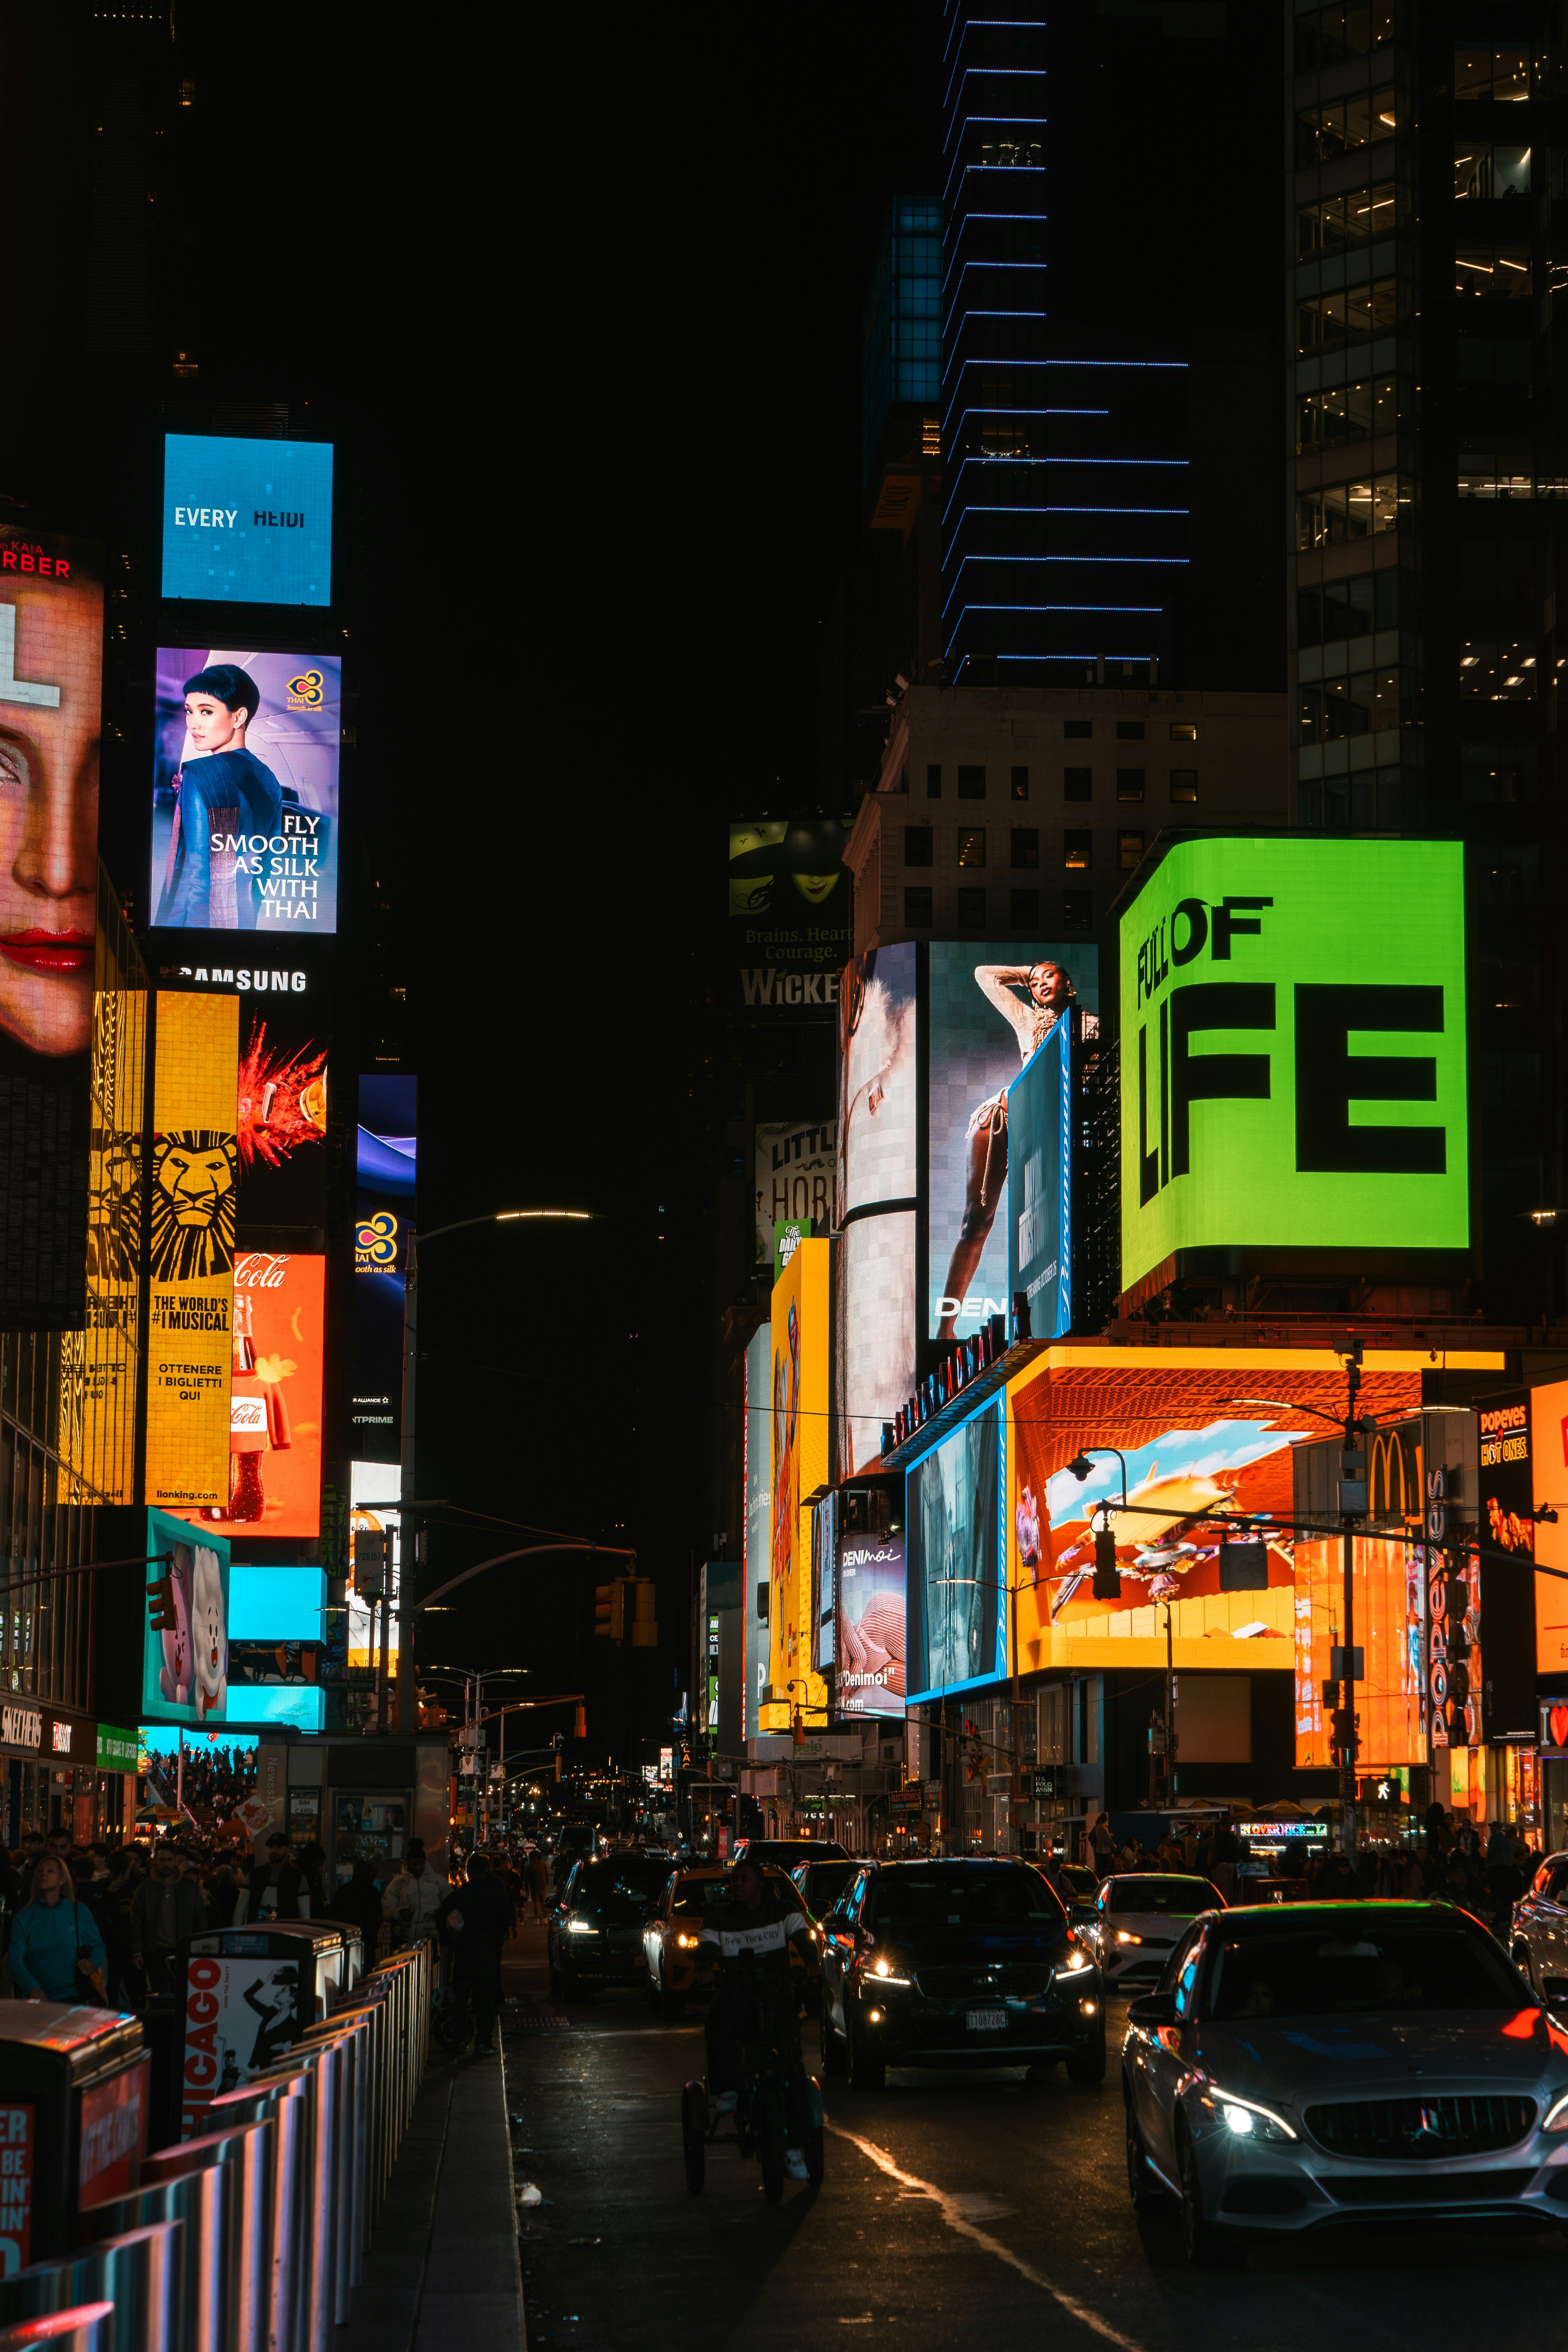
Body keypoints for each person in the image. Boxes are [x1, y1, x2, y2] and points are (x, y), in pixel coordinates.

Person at [934, 961, 1074, 1345]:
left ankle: (1047, 1321)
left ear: (1069, 985)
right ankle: (945, 1328)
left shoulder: (1088, 1026)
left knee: (1052, 1224)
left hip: (1050, 1129)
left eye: (1049, 975)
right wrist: (1025, 971)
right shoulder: (1029, 1019)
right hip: (1002, 1124)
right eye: (1035, 980)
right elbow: (983, 975)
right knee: (976, 1222)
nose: (1041, 983)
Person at [696, 1857, 816, 2182]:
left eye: (743, 1880)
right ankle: (727, 2092)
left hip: (775, 1994)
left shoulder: (783, 1912)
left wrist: (810, 1962)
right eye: (733, 1881)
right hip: (736, 1995)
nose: (736, 1886)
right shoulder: (717, 1918)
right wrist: (705, 1967)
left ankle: (793, 2150)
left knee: (791, 2066)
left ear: (759, 1885)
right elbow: (706, 1947)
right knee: (717, 2022)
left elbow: (805, 1940)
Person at [154, 663, 285, 930]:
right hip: (246, 920)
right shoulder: (270, 778)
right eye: (190, 711)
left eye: (206, 712)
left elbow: (201, 880)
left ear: (238, 718)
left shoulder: (202, 775)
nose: (194, 723)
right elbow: (268, 868)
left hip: (202, 925)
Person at [435, 1853, 512, 2056]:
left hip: (464, 1953)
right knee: (485, 1998)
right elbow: (506, 1917)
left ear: (468, 1872)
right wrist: (497, 1937)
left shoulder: (461, 1894)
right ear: (486, 1871)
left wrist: (450, 1941)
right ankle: (484, 2042)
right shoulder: (496, 1894)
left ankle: (460, 2039)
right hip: (487, 1953)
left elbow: (441, 1915)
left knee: (461, 1998)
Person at [9, 1858, 108, 2002]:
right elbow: (15, 1960)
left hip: (73, 1995)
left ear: (62, 1879)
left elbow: (98, 1947)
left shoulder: (79, 1911)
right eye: (40, 1872)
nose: (44, 1874)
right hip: (37, 1997)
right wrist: (33, 1987)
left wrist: (92, 1963)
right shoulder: (24, 1917)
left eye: (50, 1871)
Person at [131, 1842, 208, 1996]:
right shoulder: (146, 1888)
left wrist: (199, 1947)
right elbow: (136, 1921)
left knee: (182, 1994)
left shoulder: (188, 1888)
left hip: (183, 1950)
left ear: (175, 1861)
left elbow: (200, 1919)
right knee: (162, 1994)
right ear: (156, 1861)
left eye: (169, 1860)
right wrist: (137, 1951)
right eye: (162, 1860)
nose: (166, 1864)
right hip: (156, 1952)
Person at [235, 1833, 306, 1924]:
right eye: (272, 1847)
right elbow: (240, 1909)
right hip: (258, 1931)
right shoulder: (255, 1875)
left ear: (287, 1850)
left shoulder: (298, 1878)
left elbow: (305, 1917)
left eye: (279, 1847)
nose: (274, 1850)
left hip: (284, 1933)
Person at [382, 1846, 446, 1943]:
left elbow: (451, 1905)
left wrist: (441, 1914)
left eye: (421, 1864)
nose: (418, 1867)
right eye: (415, 1864)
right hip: (402, 1938)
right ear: (408, 1864)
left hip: (431, 1938)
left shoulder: (439, 1881)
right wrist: (400, 1913)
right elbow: (386, 1911)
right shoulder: (397, 1883)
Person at [330, 1860, 387, 1951]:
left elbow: (334, 1916)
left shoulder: (342, 1891)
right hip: (367, 1941)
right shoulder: (373, 1892)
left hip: (344, 1940)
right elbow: (377, 1918)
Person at [527, 1845, 550, 1922]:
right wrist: (547, 1884)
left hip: (534, 1887)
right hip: (543, 1885)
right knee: (544, 1902)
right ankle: (545, 1918)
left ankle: (537, 1919)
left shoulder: (529, 1867)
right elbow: (547, 1875)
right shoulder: (543, 1864)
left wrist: (527, 1890)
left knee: (536, 1903)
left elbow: (526, 1879)